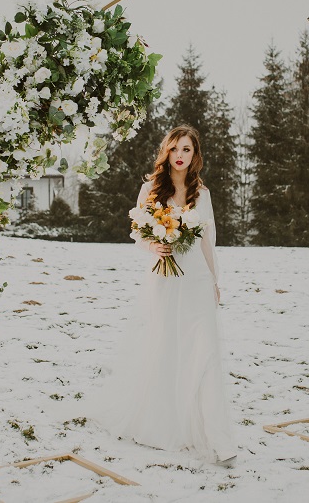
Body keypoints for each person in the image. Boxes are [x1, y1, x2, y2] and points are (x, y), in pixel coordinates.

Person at [87, 125, 237, 464]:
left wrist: (214, 281)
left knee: (207, 351)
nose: (180, 155)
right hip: (164, 277)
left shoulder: (204, 193)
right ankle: (163, 424)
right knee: (165, 346)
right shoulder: (151, 188)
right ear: (166, 153)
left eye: (187, 149)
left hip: (196, 278)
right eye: (175, 149)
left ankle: (219, 438)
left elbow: (206, 243)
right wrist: (153, 244)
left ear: (195, 155)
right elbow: (137, 232)